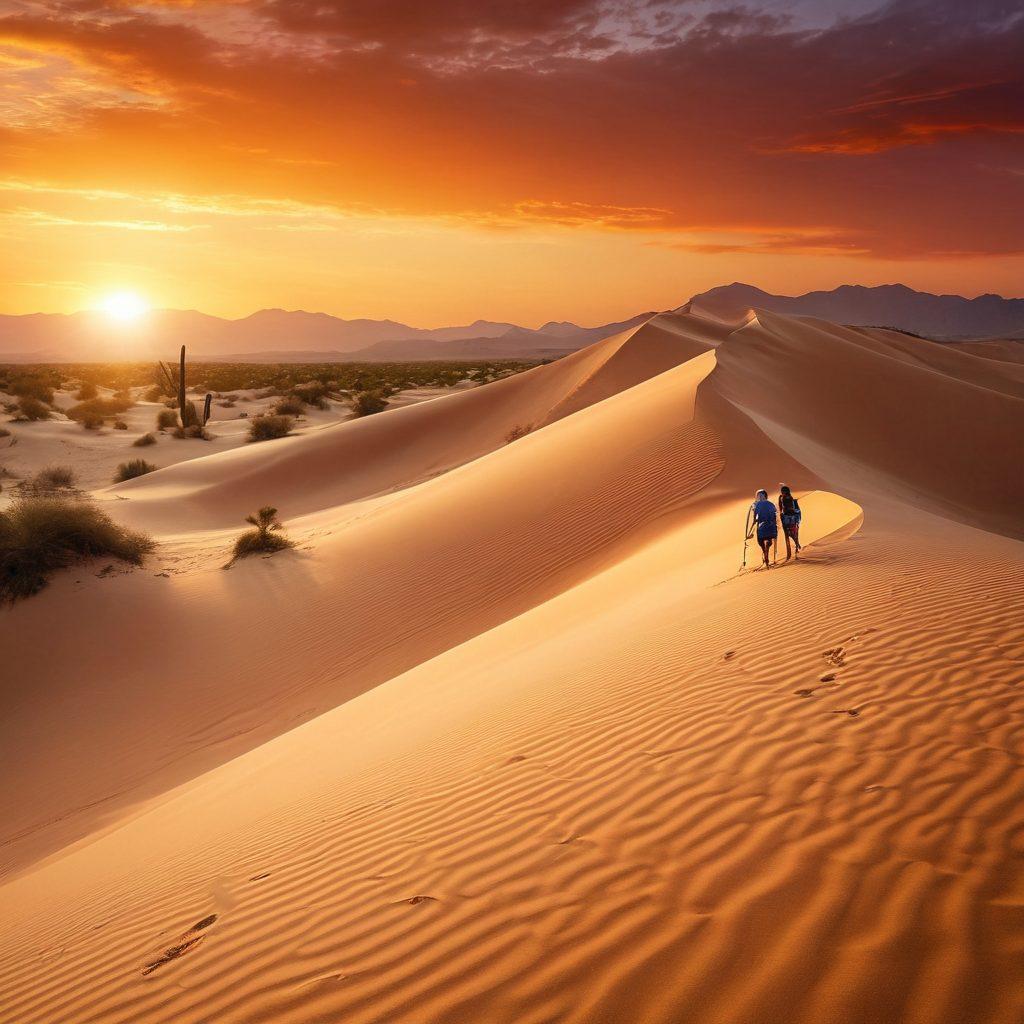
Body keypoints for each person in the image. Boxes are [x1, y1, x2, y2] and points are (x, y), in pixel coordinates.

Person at [748, 488, 778, 568]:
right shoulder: (771, 504)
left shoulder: (758, 505)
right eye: (758, 496)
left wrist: (755, 520)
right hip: (771, 526)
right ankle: (766, 554)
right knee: (768, 541)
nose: (759, 497)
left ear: (764, 495)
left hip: (763, 526)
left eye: (760, 495)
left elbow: (755, 517)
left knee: (761, 541)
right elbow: (774, 515)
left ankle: (765, 555)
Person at [777, 483, 802, 560]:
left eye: (783, 491)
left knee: (788, 533)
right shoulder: (789, 497)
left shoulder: (783, 497)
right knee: (793, 532)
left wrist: (781, 513)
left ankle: (796, 544)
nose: (782, 492)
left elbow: (781, 507)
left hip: (788, 517)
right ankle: (797, 543)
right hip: (792, 516)